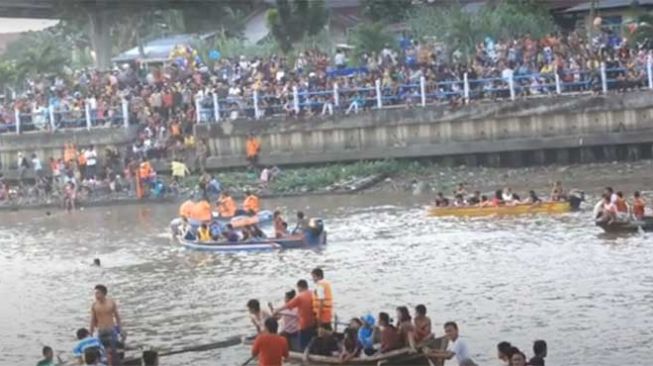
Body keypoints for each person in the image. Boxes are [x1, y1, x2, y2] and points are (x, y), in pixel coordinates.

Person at [273, 279, 315, 350]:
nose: (298, 290)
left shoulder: (300, 297)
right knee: (309, 340)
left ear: (300, 287)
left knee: (303, 345)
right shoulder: (312, 293)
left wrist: (277, 310)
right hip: (312, 322)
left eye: (298, 288)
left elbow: (288, 306)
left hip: (302, 325)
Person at [89, 284, 123, 366]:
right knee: (103, 352)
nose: (96, 295)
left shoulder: (111, 303)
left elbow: (117, 317)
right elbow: (92, 320)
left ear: (103, 293)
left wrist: (120, 329)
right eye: (95, 293)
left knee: (114, 351)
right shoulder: (94, 305)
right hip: (101, 331)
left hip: (111, 330)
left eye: (98, 293)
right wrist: (90, 332)